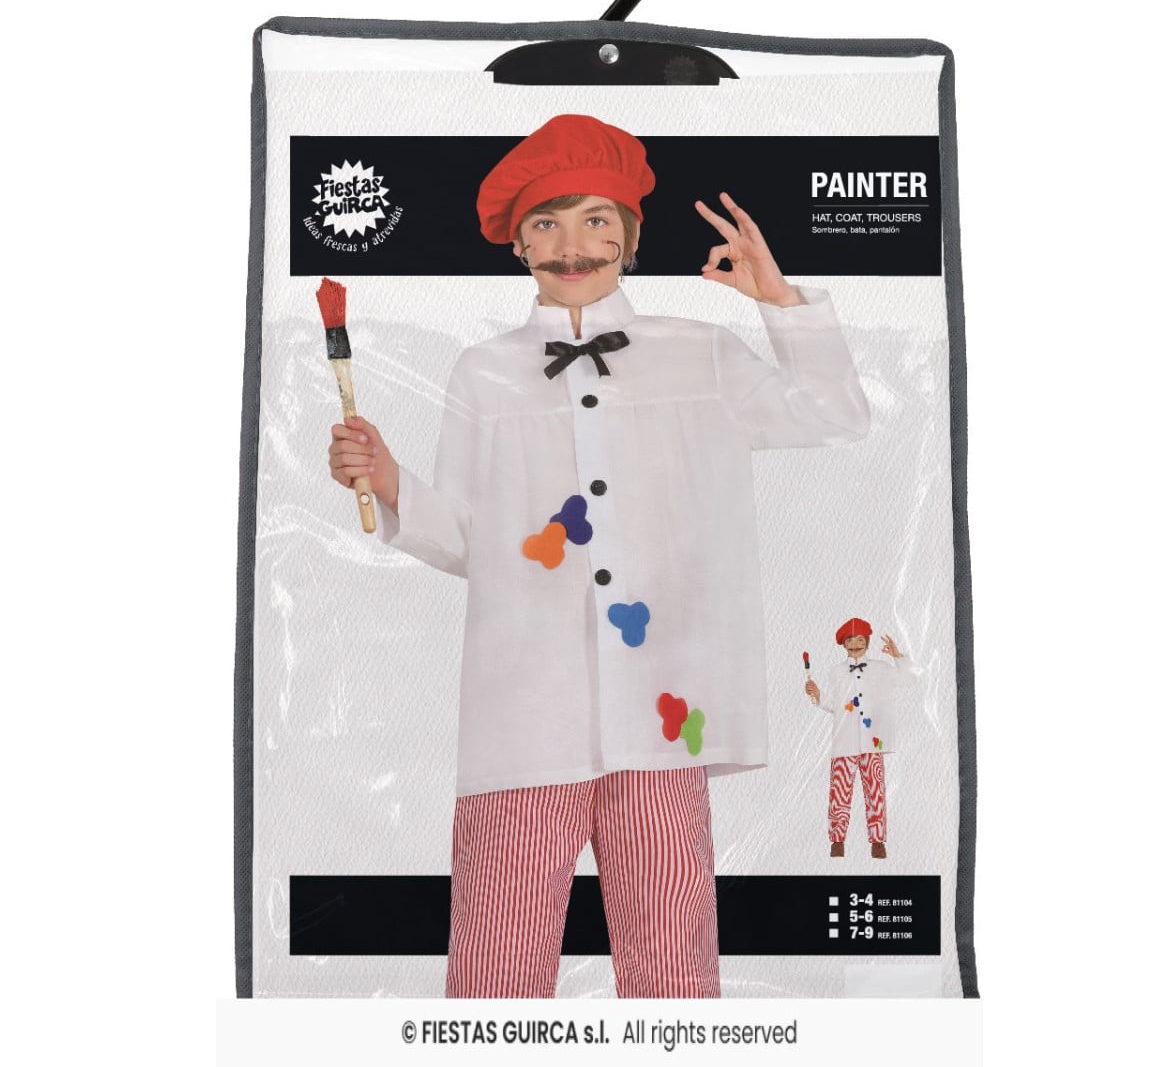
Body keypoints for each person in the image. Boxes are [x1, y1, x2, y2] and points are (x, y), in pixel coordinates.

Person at [327, 113, 870, 997]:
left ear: (630, 234)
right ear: (517, 244)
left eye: (593, 219)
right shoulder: (481, 372)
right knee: (496, 972)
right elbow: (469, 542)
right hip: (522, 719)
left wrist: (779, 303)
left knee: (674, 972)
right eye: (545, 223)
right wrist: (389, 481)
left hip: (664, 716)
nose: (570, 245)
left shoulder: (699, 354)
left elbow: (835, 416)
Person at [805, 618, 917, 859]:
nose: (855, 644)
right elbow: (836, 705)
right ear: (843, 644)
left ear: (866, 641)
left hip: (873, 741)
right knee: (839, 792)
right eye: (850, 640)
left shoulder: (881, 668)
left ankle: (878, 840)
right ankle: (837, 840)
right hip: (844, 741)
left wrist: (898, 656)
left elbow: (909, 679)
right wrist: (818, 695)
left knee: (875, 791)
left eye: (859, 639)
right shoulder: (836, 671)